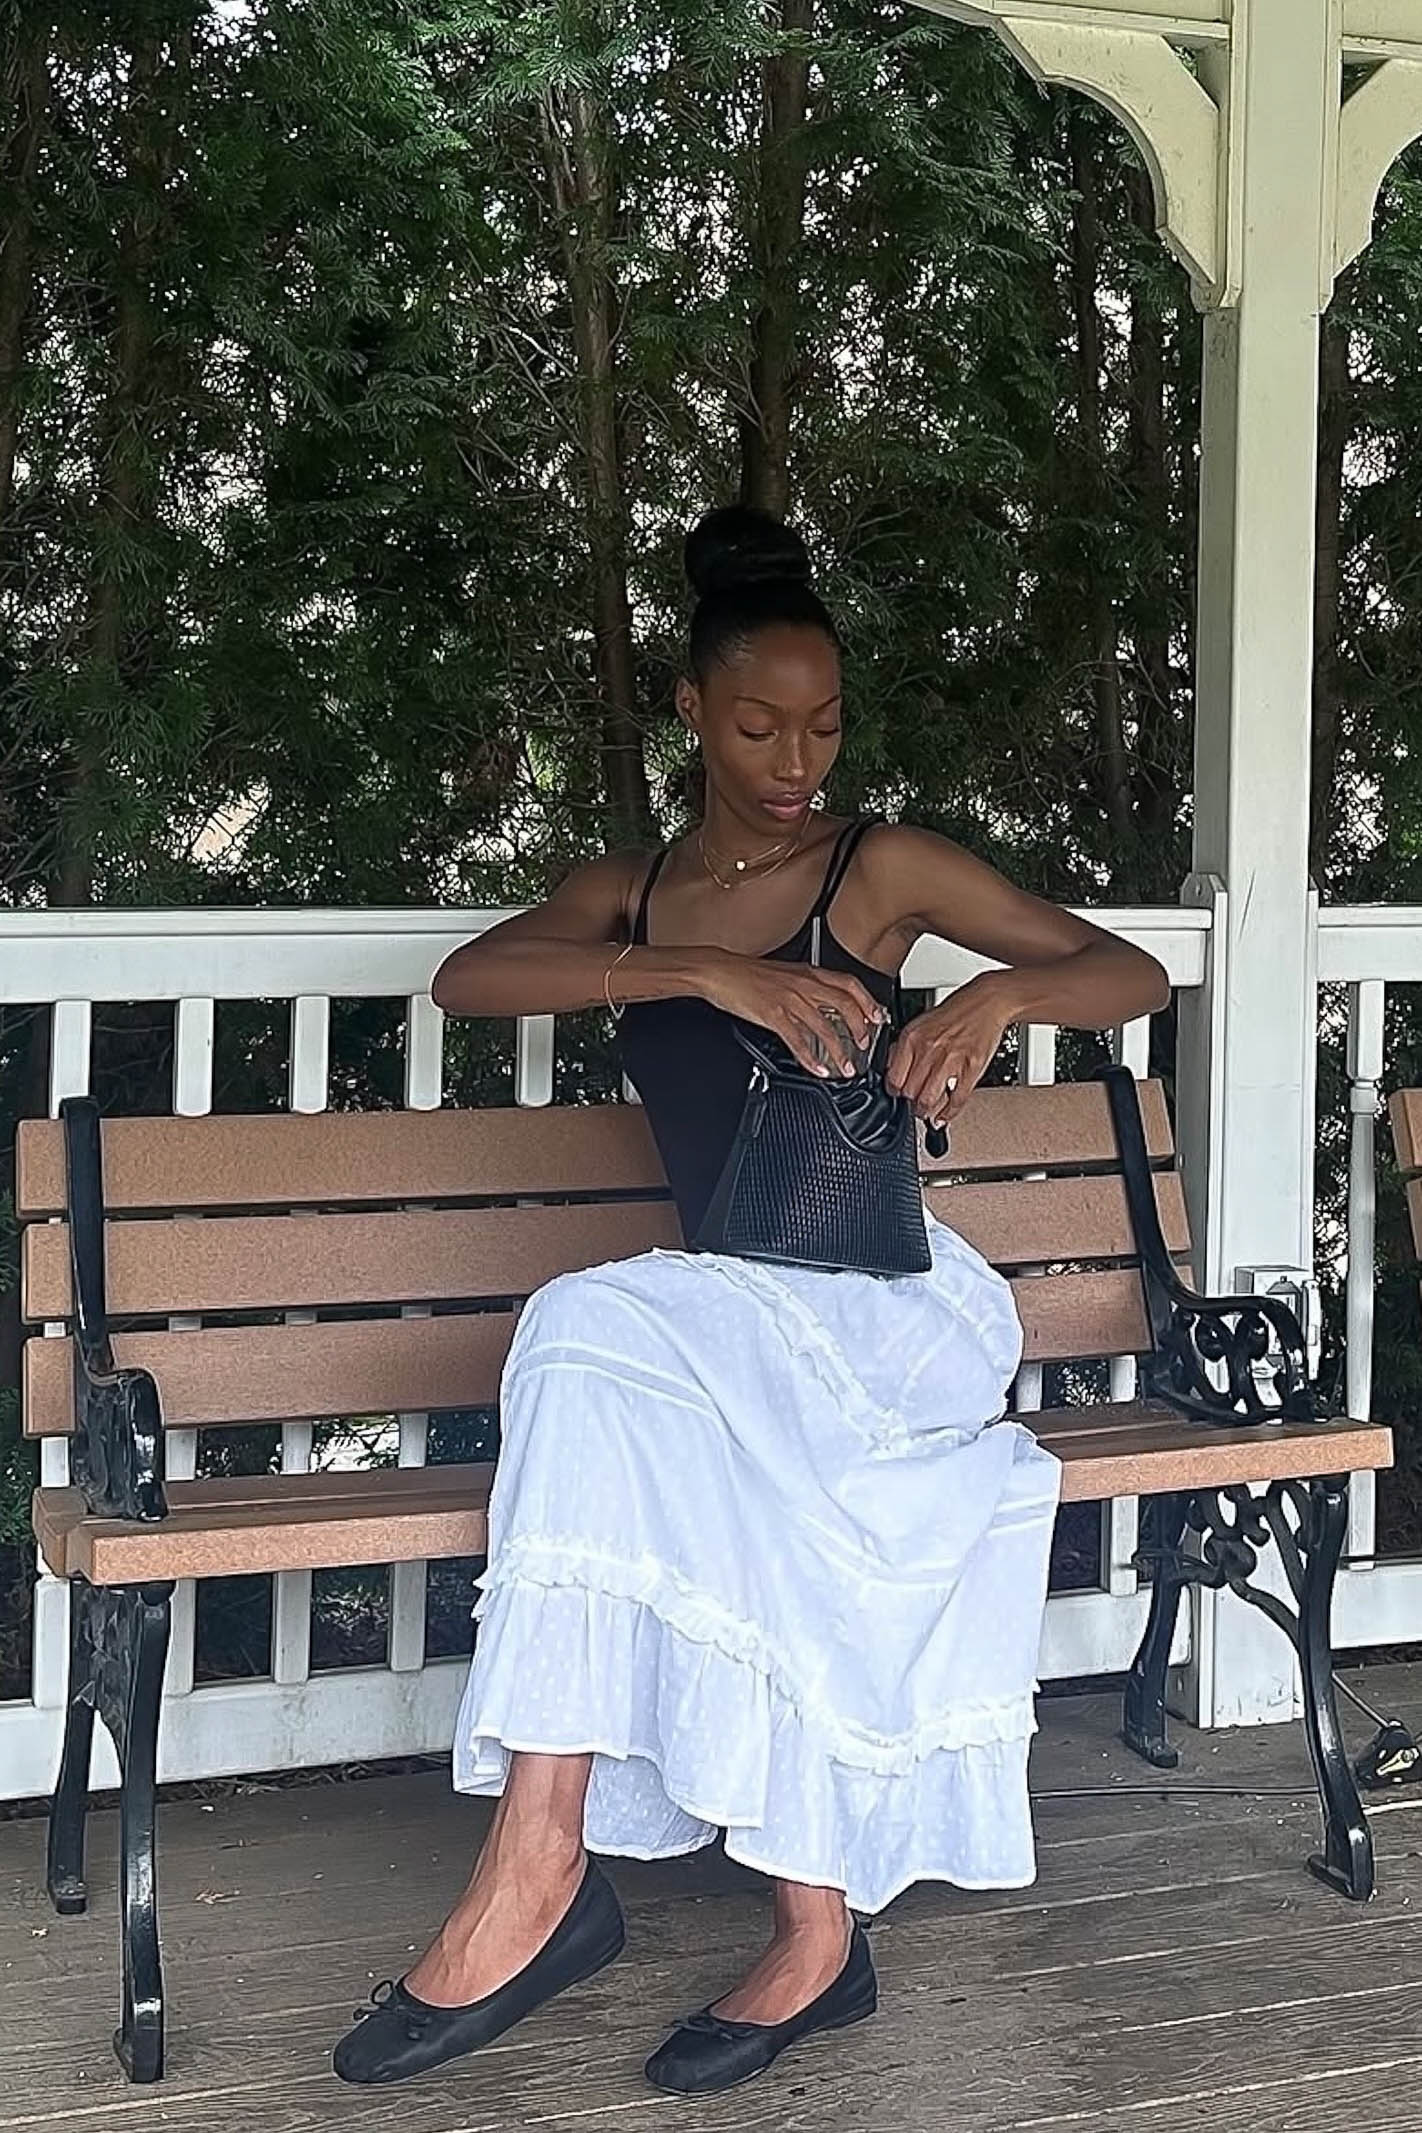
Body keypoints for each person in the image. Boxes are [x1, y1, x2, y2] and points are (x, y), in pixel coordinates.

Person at [332, 505, 1170, 2096]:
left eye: (825, 725)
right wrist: (705, 973)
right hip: (731, 1312)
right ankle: (795, 1927)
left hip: (883, 1304)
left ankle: (543, 1871)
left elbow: (1128, 970)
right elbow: (469, 974)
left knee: (582, 1330)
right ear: (690, 711)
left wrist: (997, 994)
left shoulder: (876, 864)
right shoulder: (631, 892)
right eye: (759, 725)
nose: (797, 760)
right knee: (648, 1388)